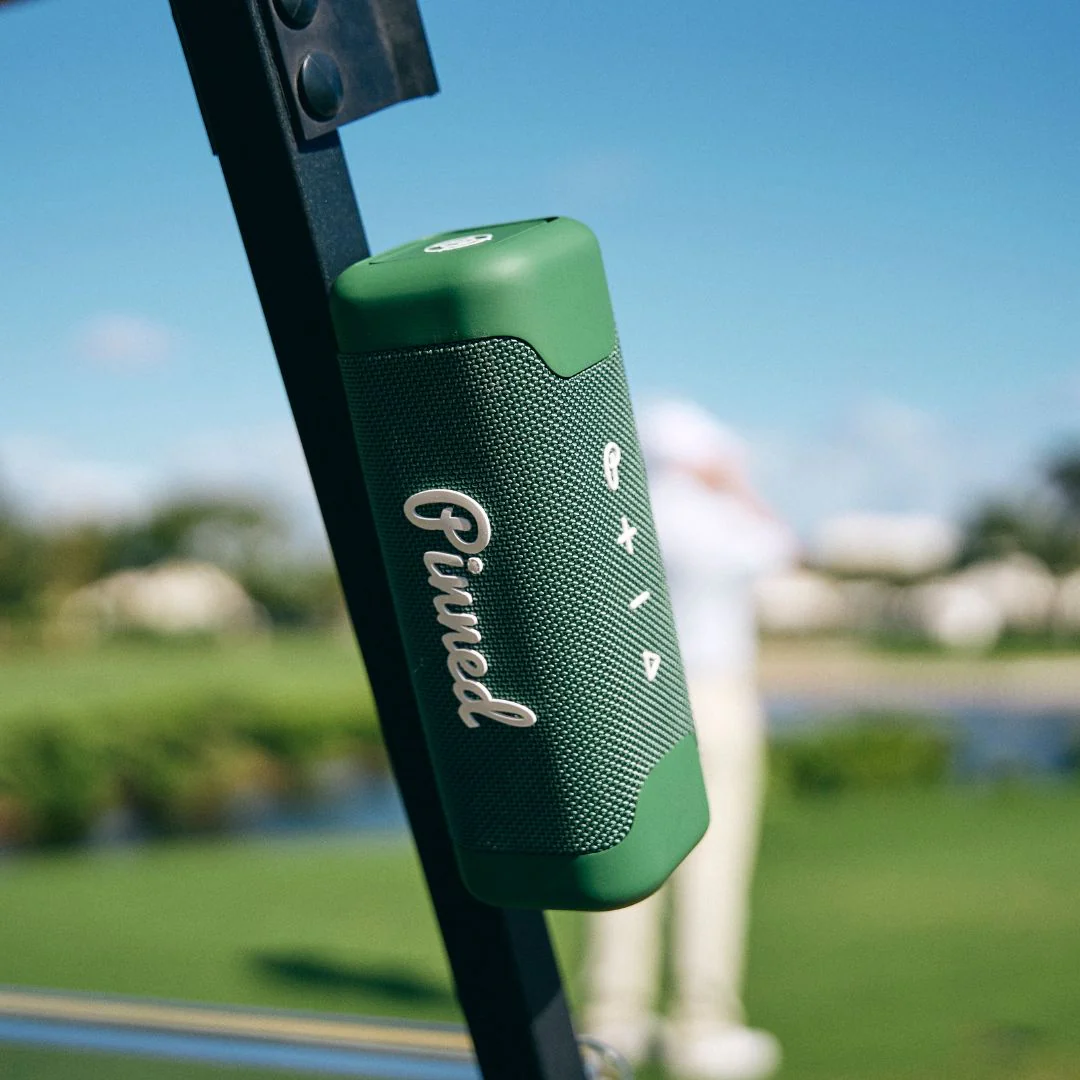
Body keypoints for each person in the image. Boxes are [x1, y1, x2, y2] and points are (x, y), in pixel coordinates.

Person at [584, 399, 796, 1080]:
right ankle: (701, 1028)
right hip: (712, 694)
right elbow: (781, 545)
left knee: (630, 857)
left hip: (627, 699)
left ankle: (613, 1017)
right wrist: (733, 485)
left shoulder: (614, 517)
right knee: (715, 862)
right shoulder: (711, 515)